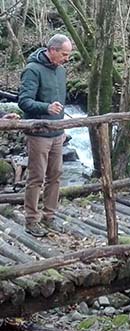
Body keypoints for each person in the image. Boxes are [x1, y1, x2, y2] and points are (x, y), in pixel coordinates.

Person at [18, 34, 72, 237]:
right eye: (64, 54)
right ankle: (31, 220)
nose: (67, 58)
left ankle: (50, 216)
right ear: (52, 50)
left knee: (55, 175)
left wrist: (63, 127)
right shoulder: (32, 70)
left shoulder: (61, 71)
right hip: (39, 132)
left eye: (68, 54)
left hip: (57, 132)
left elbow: (61, 103)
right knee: (36, 177)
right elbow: (24, 101)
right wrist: (46, 107)